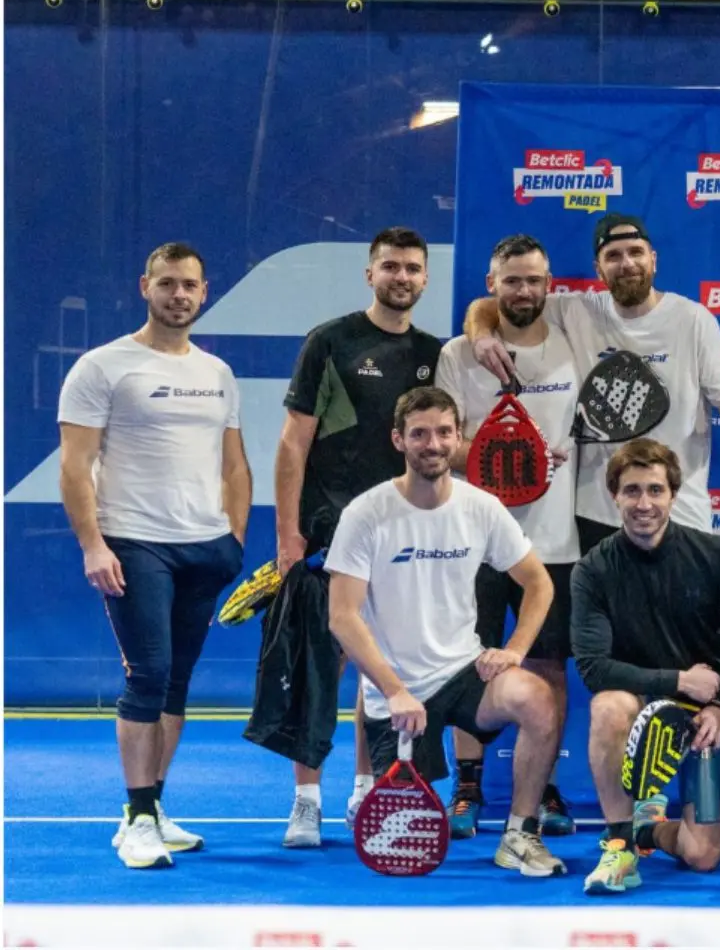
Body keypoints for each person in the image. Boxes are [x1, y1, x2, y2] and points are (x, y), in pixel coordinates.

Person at [57, 242, 250, 868]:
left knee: (176, 687)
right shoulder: (102, 366)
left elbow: (234, 464)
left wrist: (233, 540)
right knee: (148, 677)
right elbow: (75, 465)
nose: (179, 295)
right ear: (146, 286)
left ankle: (152, 808)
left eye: (190, 285)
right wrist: (93, 544)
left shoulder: (217, 374)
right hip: (134, 544)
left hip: (204, 549)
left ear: (205, 289)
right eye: (167, 283)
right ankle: (137, 818)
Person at [325, 386, 566, 878]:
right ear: (398, 440)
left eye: (442, 433)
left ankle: (519, 834)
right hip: (396, 696)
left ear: (459, 440)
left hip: (462, 672)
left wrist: (515, 650)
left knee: (538, 700)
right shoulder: (365, 515)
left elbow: (539, 583)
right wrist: (393, 691)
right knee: (402, 849)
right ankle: (374, 786)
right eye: (418, 434)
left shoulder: (482, 508)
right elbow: (343, 616)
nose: (431, 444)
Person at [262, 226, 443, 848]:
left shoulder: (436, 353)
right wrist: (287, 532)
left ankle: (368, 789)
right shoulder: (330, 343)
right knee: (321, 667)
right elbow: (292, 442)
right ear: (371, 275)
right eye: (390, 266)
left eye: (412, 268)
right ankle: (306, 801)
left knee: (382, 666)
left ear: (424, 279)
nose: (401, 277)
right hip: (327, 534)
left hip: (404, 538)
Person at [466, 212, 720, 551]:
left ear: (654, 259)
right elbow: (490, 305)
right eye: (613, 256)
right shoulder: (578, 311)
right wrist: (482, 336)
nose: (627, 263)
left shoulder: (692, 319)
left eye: (636, 252)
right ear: (599, 268)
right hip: (599, 518)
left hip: (679, 514)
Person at [434, 234, 581, 839]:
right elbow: (445, 441)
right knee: (471, 662)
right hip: (473, 537)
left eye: (535, 280)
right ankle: (467, 785)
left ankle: (541, 785)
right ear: (491, 284)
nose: (525, 291)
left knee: (545, 664)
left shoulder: (575, 336)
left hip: (555, 542)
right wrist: (514, 457)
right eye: (512, 280)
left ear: (550, 284)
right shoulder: (459, 353)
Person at [574, 439, 720, 895]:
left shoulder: (712, 555)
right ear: (614, 496)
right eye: (632, 491)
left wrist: (719, 706)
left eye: (655, 491)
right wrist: (677, 681)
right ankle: (618, 842)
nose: (644, 503)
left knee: (702, 856)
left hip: (704, 715)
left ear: (673, 496)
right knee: (607, 706)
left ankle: (646, 832)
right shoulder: (593, 570)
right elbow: (595, 668)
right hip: (640, 703)